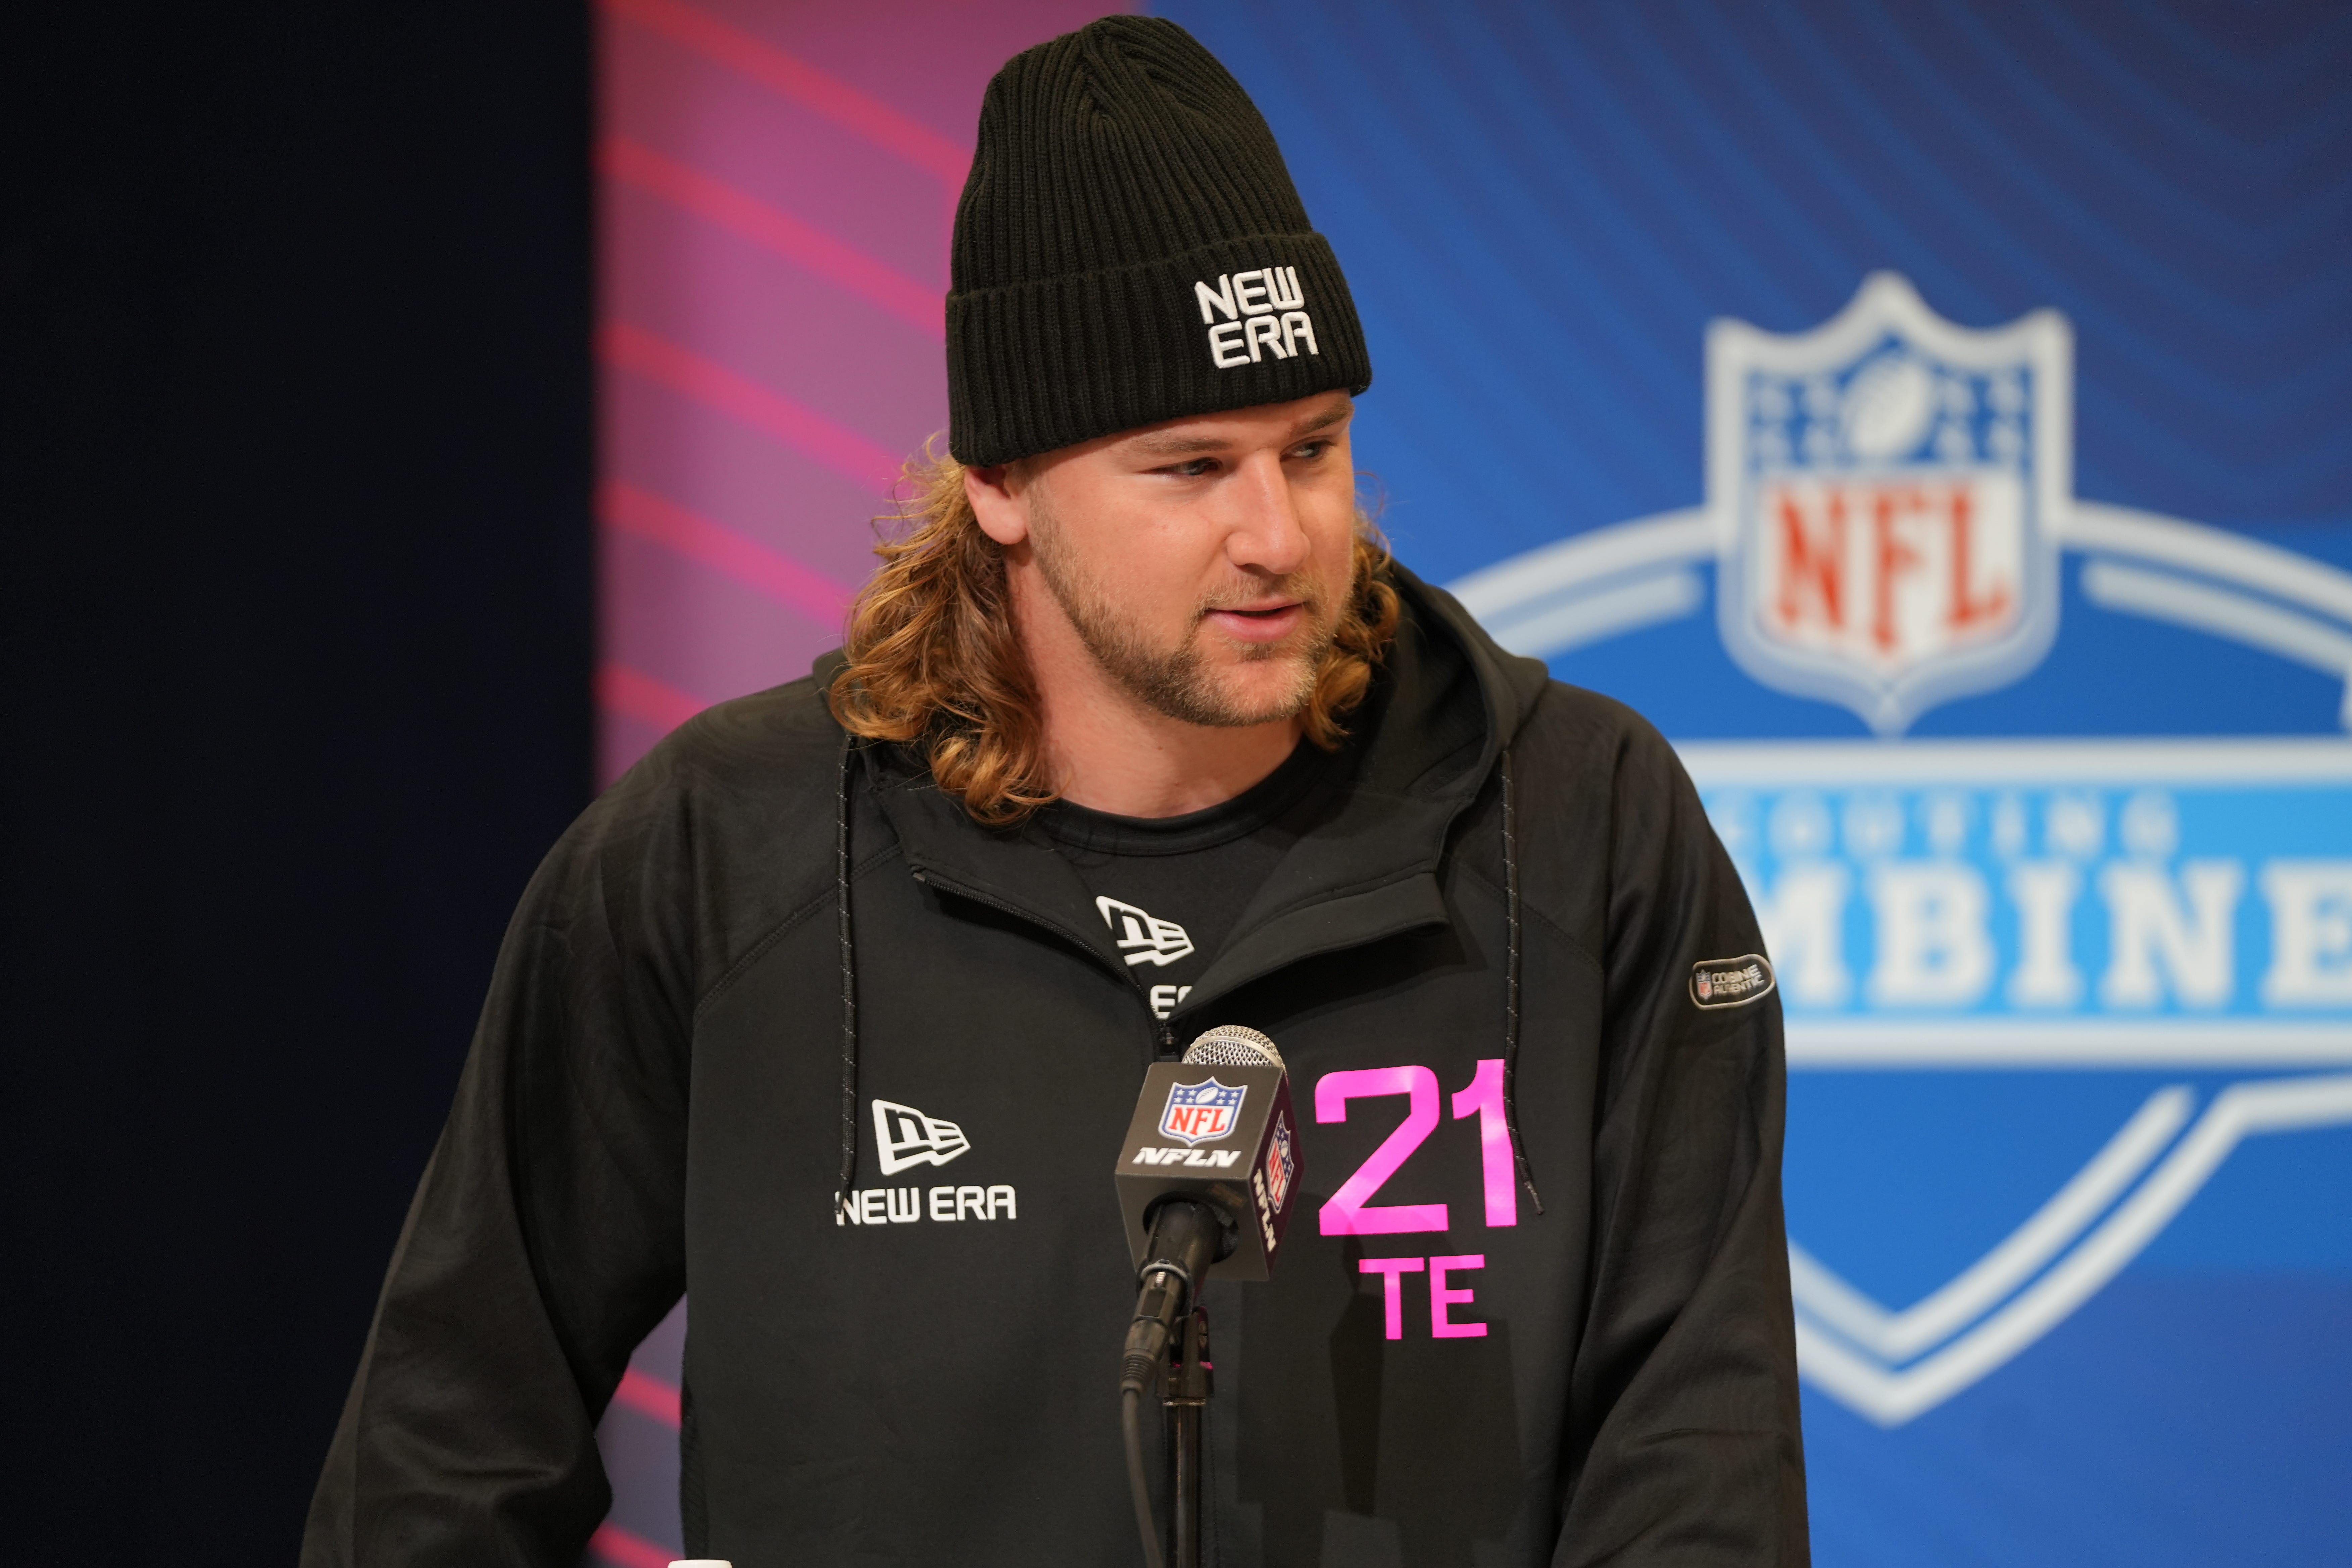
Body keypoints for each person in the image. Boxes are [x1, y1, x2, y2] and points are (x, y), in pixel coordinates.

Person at [303, 16, 1806, 1566]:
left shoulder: (1583, 822)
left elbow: (1699, 1455)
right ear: (1002, 483)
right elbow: (445, 1440)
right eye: (1191, 466)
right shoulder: (721, 854)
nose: (1280, 533)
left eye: (1312, 447)